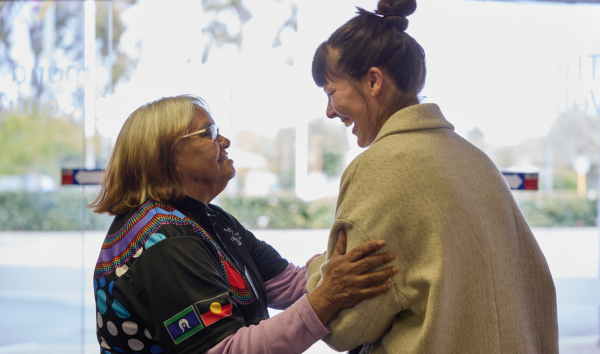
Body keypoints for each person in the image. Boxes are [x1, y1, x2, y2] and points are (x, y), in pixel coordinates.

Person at [305, 0, 559, 353]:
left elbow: (342, 326)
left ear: (374, 81)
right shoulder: (476, 161)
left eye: (331, 92)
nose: (330, 111)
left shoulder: (378, 168)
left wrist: (317, 270)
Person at [90, 94, 397, 354]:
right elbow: (227, 349)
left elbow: (287, 283)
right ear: (168, 156)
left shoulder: (209, 219)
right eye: (208, 132)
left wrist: (348, 262)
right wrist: (328, 297)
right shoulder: (164, 242)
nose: (223, 140)